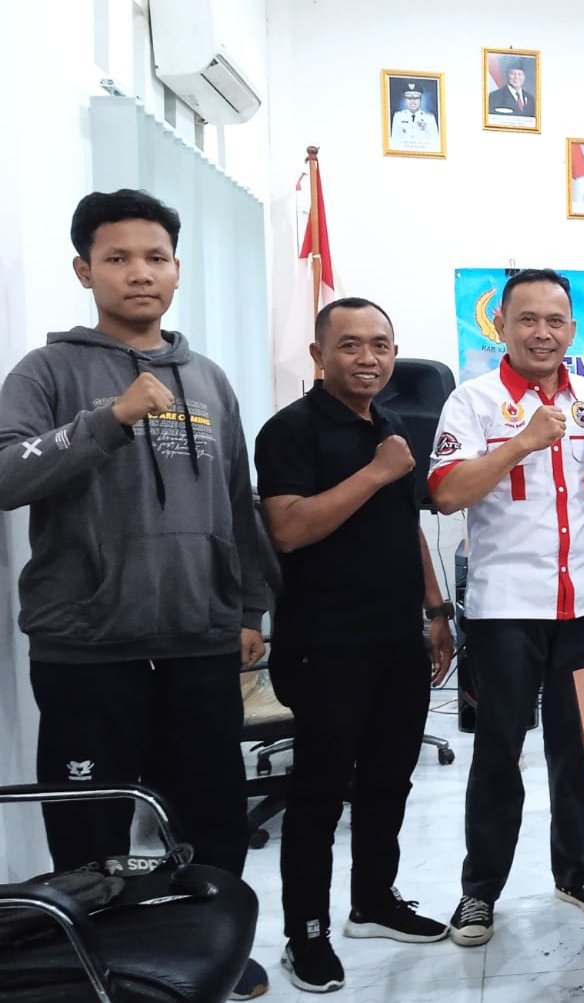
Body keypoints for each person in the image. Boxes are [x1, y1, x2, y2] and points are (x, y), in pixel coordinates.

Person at [0, 189, 273, 1000]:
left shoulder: (208, 379)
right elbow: (7, 472)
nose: (139, 273)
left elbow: (237, 501)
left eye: (155, 257)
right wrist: (107, 419)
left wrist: (248, 606)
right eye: (117, 258)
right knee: (90, 823)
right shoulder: (47, 371)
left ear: (177, 270)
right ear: (84, 270)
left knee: (213, 812)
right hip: (88, 645)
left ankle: (220, 946)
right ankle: (94, 963)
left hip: (199, 636)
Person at [254, 297, 455, 991]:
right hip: (325, 645)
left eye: (381, 345)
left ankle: (373, 901)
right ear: (319, 355)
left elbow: (405, 527)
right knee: (318, 794)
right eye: (350, 345)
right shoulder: (290, 430)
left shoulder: (390, 425)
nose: (369, 358)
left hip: (396, 638)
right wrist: (376, 472)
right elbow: (288, 529)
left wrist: (436, 609)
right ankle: (305, 934)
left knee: (389, 781)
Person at [428, 269, 584, 943]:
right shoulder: (474, 401)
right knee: (499, 752)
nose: (542, 332)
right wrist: (520, 443)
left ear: (572, 329)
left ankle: (574, 872)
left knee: (577, 749)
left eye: (555, 320)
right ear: (502, 326)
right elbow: (447, 494)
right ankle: (479, 891)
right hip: (507, 610)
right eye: (527, 319)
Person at [390, 83, 440, 152]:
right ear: (405, 100)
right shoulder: (398, 117)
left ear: (420, 100)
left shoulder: (429, 118)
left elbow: (435, 144)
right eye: (409, 98)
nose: (412, 101)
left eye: (416, 98)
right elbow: (395, 142)